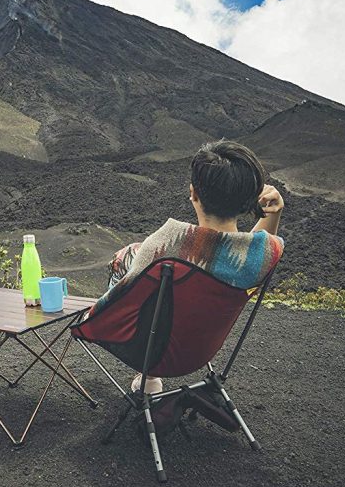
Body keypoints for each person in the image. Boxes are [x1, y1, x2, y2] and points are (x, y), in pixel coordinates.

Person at [95, 140, 285, 394]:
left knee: (128, 256)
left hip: (153, 352)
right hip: (200, 351)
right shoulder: (265, 254)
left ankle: (149, 379)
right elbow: (257, 246)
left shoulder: (164, 247)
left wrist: (89, 320)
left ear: (194, 193)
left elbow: (120, 301)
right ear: (250, 199)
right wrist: (273, 214)